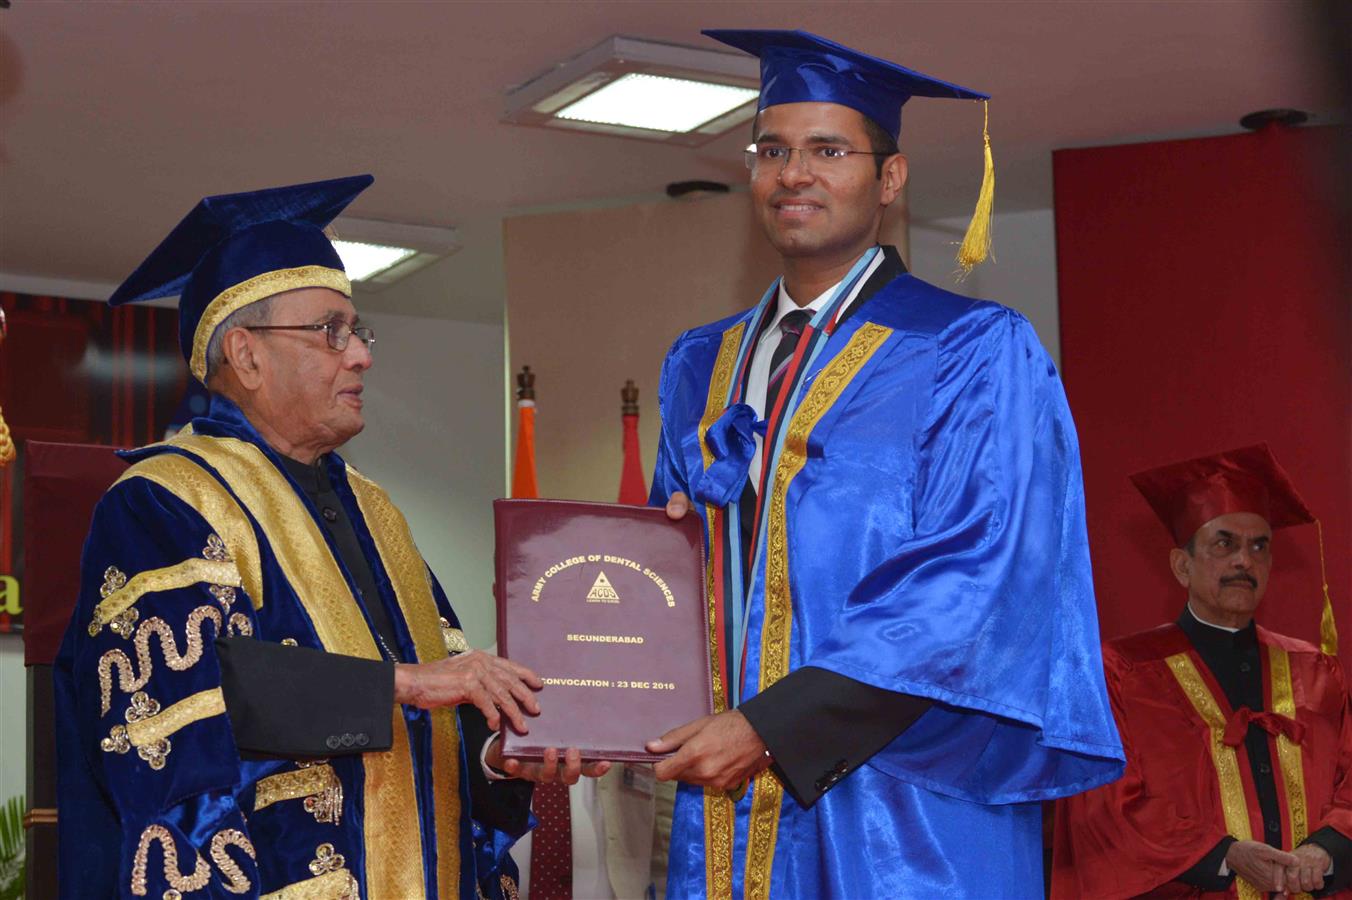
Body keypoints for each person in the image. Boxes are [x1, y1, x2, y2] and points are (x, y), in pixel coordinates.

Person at [643, 29, 1125, 898]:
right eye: (773, 150)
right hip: (728, 797)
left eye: (829, 150)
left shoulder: (972, 350)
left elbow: (981, 580)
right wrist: (594, 704)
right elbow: (659, 575)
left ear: (889, 179)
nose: (795, 174)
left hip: (908, 809)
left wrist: (772, 726)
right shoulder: (697, 365)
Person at [54, 175, 606, 899]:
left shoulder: (374, 511)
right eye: (330, 332)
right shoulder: (164, 502)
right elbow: (174, 716)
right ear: (246, 355)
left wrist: (503, 756)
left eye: (358, 332)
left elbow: (443, 703)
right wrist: (401, 684)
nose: (361, 356)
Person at [1052, 444, 1352, 898]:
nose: (1243, 561)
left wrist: (1326, 850)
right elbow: (1103, 806)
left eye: (1259, 547)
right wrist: (1224, 854)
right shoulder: (1122, 672)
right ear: (1182, 565)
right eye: (1224, 543)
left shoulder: (1316, 672)